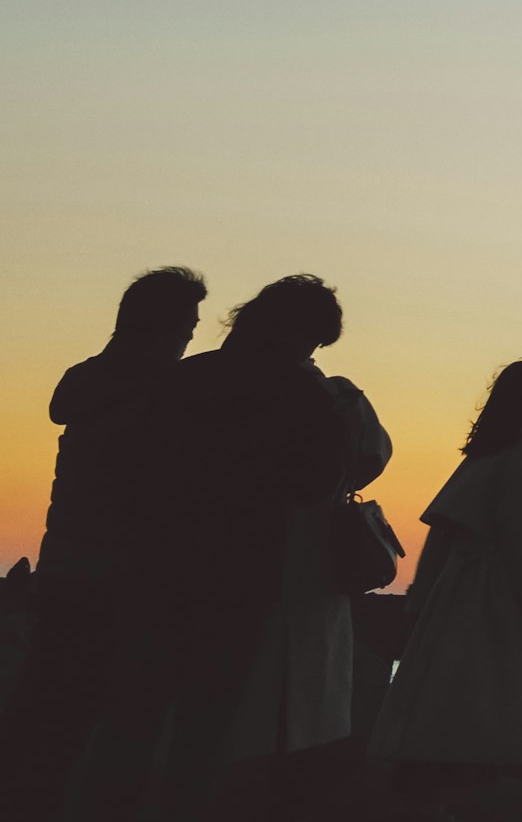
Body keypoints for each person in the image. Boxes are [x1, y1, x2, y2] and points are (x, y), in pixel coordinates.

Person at [138, 276, 391, 822]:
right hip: (254, 571)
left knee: (144, 715)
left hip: (162, 566)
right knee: (213, 721)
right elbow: (349, 466)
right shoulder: (315, 393)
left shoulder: (186, 378)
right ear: (302, 334)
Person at [0, 270, 202, 822]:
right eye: (187, 325)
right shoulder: (173, 393)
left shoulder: (86, 380)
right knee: (95, 723)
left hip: (66, 565)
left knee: (40, 706)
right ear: (163, 327)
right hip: (127, 579)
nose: (191, 337)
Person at [366, 360, 522, 776]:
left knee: (454, 686)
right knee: (513, 688)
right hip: (505, 593)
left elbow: (442, 534)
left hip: (456, 592)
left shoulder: (483, 455)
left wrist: (418, 600)